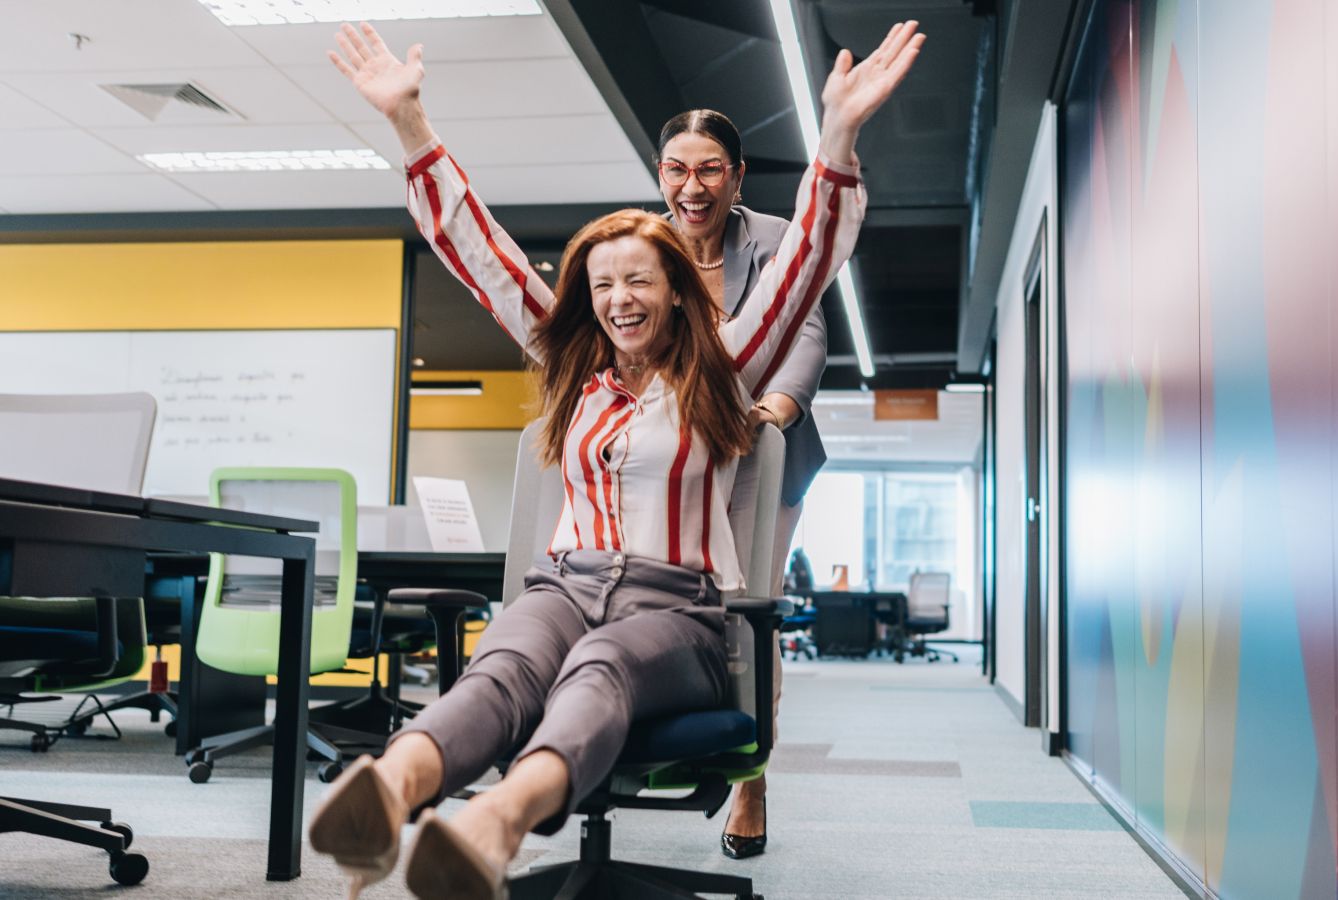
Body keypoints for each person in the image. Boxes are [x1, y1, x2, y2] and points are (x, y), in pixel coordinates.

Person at [308, 20, 924, 900]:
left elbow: (801, 273)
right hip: (565, 584)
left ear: (675, 291)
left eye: (638, 280)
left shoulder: (719, 370)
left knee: (598, 672)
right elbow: (482, 255)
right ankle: (394, 790)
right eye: (601, 285)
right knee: (506, 664)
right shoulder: (577, 371)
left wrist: (836, 139)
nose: (618, 299)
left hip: (674, 606)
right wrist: (411, 124)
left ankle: (498, 821)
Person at [652, 104, 833, 859]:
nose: (691, 188)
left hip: (759, 447)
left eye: (709, 169)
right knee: (663, 604)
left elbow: (807, 331)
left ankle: (749, 780)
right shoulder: (644, 244)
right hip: (667, 454)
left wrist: (775, 412)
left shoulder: (773, 242)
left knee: (743, 611)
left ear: (737, 176)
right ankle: (668, 741)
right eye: (676, 169)